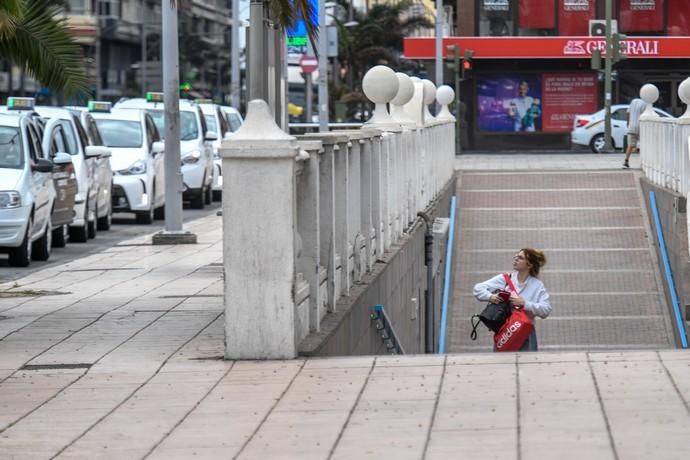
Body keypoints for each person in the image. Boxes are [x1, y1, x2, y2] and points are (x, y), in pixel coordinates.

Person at [472, 248, 551, 351]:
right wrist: (490, 297)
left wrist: (524, 303)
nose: (516, 259)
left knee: (527, 365)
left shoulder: (537, 285)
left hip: (525, 333)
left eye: (520, 258)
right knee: (502, 365)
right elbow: (478, 289)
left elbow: (546, 310)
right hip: (505, 331)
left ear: (530, 264)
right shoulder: (505, 278)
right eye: (516, 256)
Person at [624, 97, 647, 168]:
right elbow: (645, 116)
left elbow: (627, 112)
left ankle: (626, 161)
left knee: (630, 145)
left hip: (632, 127)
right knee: (645, 145)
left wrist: (628, 122)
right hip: (641, 127)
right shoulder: (645, 104)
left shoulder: (633, 101)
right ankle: (643, 162)